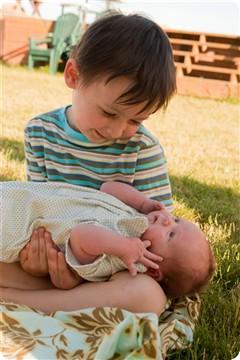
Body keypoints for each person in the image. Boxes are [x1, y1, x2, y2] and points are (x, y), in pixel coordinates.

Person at [1, 12, 177, 315]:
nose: (118, 130)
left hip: (106, 272)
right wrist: (40, 259)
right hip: (53, 261)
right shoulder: (41, 132)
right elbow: (40, 204)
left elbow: (160, 245)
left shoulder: (142, 149)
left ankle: (21, 302)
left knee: (149, 296)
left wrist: (83, 270)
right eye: (109, 113)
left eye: (136, 119)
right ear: (73, 76)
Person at [1, 181, 215, 303]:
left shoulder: (115, 258)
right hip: (21, 198)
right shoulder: (137, 220)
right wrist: (143, 202)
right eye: (176, 220)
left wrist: (122, 247)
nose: (168, 219)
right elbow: (107, 188)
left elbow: (80, 236)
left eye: (171, 234)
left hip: (13, 224)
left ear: (153, 270)